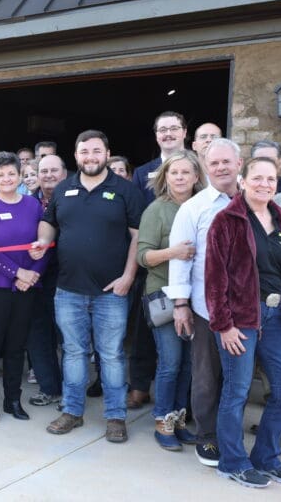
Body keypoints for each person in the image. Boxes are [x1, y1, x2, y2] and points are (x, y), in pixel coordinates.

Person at [204, 156, 281, 488]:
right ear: (243, 180)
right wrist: (223, 324)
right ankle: (232, 461)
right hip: (242, 319)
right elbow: (214, 278)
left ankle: (265, 457)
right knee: (236, 391)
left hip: (278, 318)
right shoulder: (226, 221)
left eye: (270, 179)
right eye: (258, 178)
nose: (264, 184)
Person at [32, 130, 144, 443]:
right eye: (84, 152)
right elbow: (49, 222)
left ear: (107, 154)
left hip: (111, 292)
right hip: (68, 290)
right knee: (73, 352)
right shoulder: (63, 188)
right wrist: (43, 241)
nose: (90, 157)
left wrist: (128, 277)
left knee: (110, 355)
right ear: (76, 156)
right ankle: (72, 411)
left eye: (96, 151)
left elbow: (138, 236)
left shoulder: (125, 190)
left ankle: (115, 416)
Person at [163, 137, 242, 467]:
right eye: (215, 163)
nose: (221, 167)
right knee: (207, 376)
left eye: (227, 161)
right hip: (206, 308)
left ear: (239, 164)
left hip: (248, 310)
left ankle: (231, 435)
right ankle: (207, 436)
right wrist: (180, 304)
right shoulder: (193, 208)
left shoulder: (255, 202)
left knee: (238, 377)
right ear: (206, 169)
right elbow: (181, 259)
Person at [0, 152, 47, 422]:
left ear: (20, 175)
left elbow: (44, 245)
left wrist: (32, 275)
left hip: (25, 288)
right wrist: (17, 273)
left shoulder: (32, 205)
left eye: (11, 173)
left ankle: (13, 400)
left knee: (17, 346)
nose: (6, 178)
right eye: (0, 174)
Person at [136, 150, 203, 451]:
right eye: (174, 172)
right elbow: (143, 256)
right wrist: (172, 253)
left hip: (195, 296)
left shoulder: (204, 207)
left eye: (185, 172)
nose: (179, 177)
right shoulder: (156, 210)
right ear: (165, 176)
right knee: (171, 361)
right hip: (162, 295)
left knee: (189, 363)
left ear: (196, 177)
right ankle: (162, 420)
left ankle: (179, 419)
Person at [130, 112, 187, 409]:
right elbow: (138, 219)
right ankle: (140, 385)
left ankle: (183, 403)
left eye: (173, 129)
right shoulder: (143, 172)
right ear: (155, 135)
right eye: (161, 129)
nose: (167, 134)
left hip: (188, 270)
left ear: (183, 132)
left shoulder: (196, 168)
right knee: (145, 328)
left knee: (183, 349)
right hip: (153, 262)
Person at [25, 153, 67, 407]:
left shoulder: (75, 199)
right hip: (35, 276)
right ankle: (49, 387)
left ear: (64, 173)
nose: (49, 175)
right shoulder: (27, 203)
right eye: (44, 171)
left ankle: (72, 392)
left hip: (68, 275)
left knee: (70, 338)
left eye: (54, 170)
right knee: (38, 334)